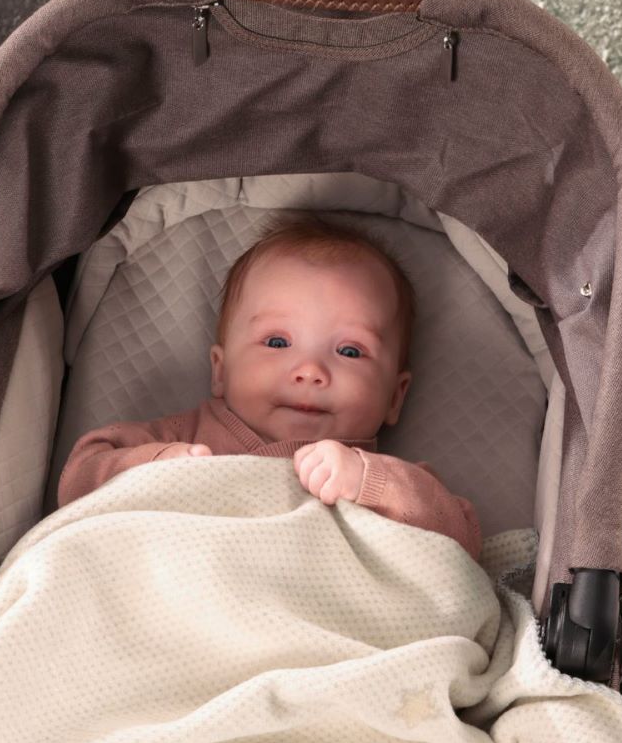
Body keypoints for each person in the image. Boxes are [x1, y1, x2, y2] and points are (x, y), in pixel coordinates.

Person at [56, 215, 483, 563]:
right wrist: (153, 468)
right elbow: (78, 483)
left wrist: (367, 482)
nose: (310, 371)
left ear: (394, 397)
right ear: (221, 371)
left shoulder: (386, 482)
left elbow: (462, 540)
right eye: (277, 343)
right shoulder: (182, 438)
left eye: (350, 351)